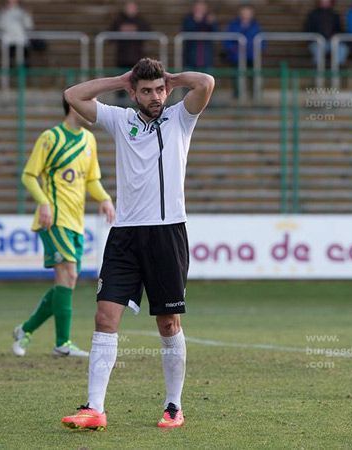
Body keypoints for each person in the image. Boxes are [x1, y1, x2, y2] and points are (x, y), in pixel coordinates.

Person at [61, 58, 214, 430]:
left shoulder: (180, 117)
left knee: (168, 323)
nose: (155, 96)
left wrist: (173, 79)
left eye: (159, 89)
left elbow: (206, 83)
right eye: (146, 91)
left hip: (167, 233)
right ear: (134, 92)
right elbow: (72, 95)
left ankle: (173, 406)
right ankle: (95, 408)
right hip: (126, 234)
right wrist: (119, 80)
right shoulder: (120, 119)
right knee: (104, 316)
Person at [11, 96, 116, 358]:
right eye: (87, 104)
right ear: (72, 106)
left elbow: (91, 179)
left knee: (66, 283)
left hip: (75, 223)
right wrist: (43, 202)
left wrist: (104, 198)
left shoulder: (88, 140)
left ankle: (25, 330)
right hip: (54, 219)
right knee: (67, 276)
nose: (92, 111)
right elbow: (28, 175)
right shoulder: (51, 138)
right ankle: (62, 343)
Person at [304, 0, 349, 66]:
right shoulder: (312, 15)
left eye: (327, 1)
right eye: (323, 1)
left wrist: (334, 36)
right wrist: (317, 38)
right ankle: (319, 71)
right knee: (318, 49)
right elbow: (307, 30)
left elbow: (340, 30)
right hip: (317, 42)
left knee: (342, 48)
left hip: (332, 42)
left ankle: (337, 69)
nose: (325, 2)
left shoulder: (335, 15)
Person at [110, 1, 151, 70]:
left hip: (138, 55)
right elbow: (110, 34)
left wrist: (136, 29)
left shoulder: (141, 21)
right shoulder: (118, 20)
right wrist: (121, 29)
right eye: (129, 8)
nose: (131, 10)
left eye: (132, 8)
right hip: (122, 56)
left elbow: (148, 32)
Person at [182, 0, 219, 69]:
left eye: (202, 7)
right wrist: (197, 21)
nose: (199, 9)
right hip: (191, 54)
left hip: (206, 54)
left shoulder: (210, 18)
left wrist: (211, 23)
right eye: (198, 7)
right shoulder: (188, 19)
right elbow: (186, 31)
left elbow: (215, 32)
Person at [0, 0, 33, 66]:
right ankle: (6, 74)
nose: (12, 2)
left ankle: (22, 74)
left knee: (23, 56)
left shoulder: (23, 12)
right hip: (7, 39)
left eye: (14, 1)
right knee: (7, 58)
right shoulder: (2, 12)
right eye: (10, 1)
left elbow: (29, 25)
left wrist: (27, 16)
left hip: (20, 38)